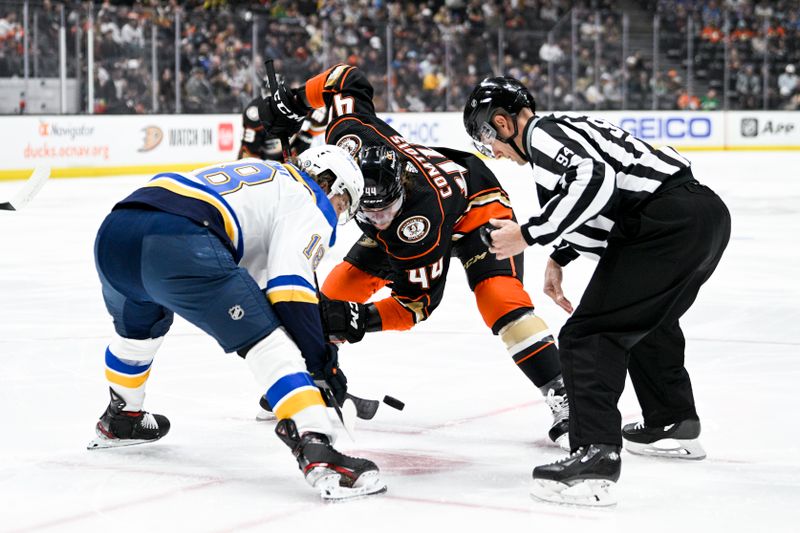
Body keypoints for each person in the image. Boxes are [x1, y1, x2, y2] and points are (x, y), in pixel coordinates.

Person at [257, 64, 570, 450]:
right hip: (413, 214)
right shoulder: (348, 138)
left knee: (499, 299)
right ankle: (310, 378)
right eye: (368, 212)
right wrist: (294, 100)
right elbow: (347, 78)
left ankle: (564, 396)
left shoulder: (415, 223)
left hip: (474, 207)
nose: (378, 219)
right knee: (336, 291)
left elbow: (417, 305)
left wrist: (362, 320)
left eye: (385, 211)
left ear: (400, 192)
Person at [463, 77, 730, 506]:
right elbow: (602, 196)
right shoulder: (566, 131)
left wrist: (528, 235)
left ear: (501, 123)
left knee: (588, 335)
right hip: (701, 216)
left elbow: (594, 178)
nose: (491, 151)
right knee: (646, 320)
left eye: (486, 139)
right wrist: (559, 257)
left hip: (665, 222)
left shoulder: (543, 135)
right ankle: (672, 421)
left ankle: (594, 458)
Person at [89, 145, 386, 501]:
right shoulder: (311, 198)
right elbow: (289, 291)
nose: (336, 214)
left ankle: (122, 417)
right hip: (178, 238)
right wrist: (321, 362)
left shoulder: (267, 175)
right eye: (342, 206)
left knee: (138, 334)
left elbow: (260, 287)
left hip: (117, 230)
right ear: (333, 187)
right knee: (268, 344)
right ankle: (318, 451)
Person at [238, 96, 328, 161]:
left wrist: (318, 114)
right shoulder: (254, 112)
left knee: (307, 137)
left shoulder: (294, 102)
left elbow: (321, 121)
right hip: (266, 156)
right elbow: (247, 148)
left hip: (291, 149)